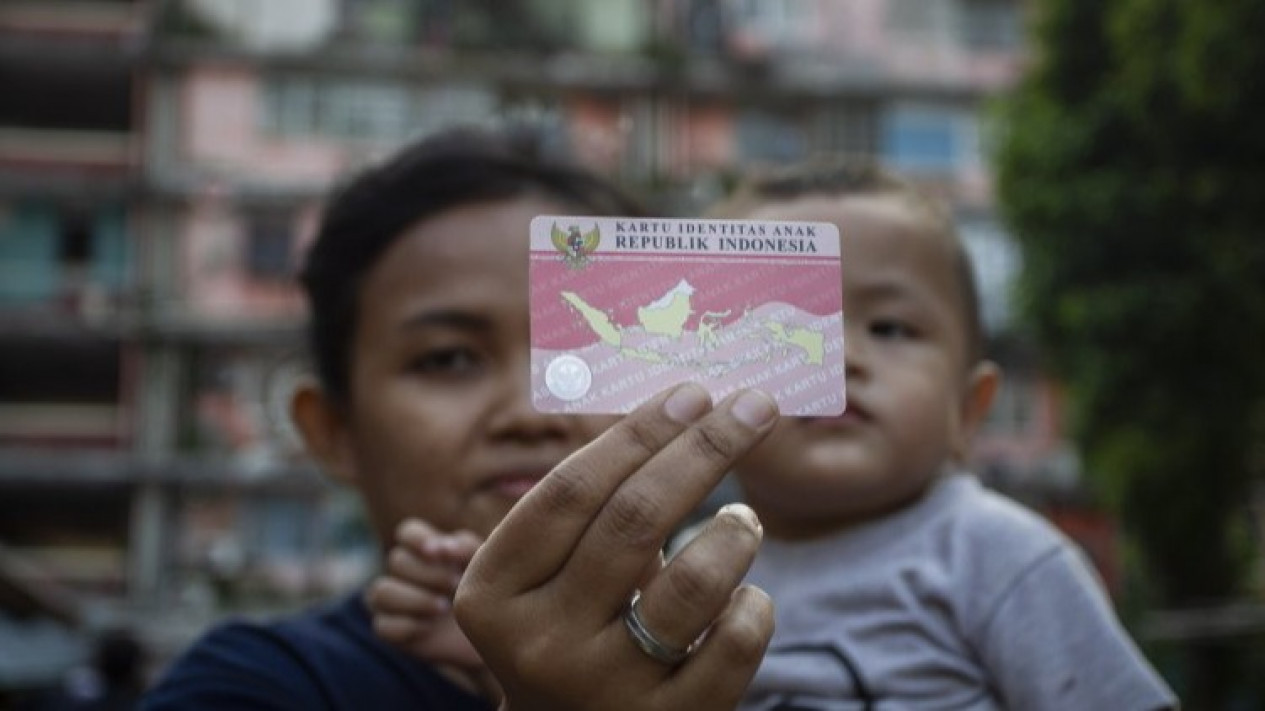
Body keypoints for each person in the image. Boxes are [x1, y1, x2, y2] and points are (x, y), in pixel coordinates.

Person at [372, 158, 1181, 710]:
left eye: (891, 327)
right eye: (777, 325)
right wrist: (485, 648)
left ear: (969, 410)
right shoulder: (683, 557)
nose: (844, 356)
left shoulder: (996, 552)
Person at [140, 125, 779, 710]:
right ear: (333, 431)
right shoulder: (254, 685)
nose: (531, 413)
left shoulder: (789, 662)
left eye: (591, 349)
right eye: (448, 360)